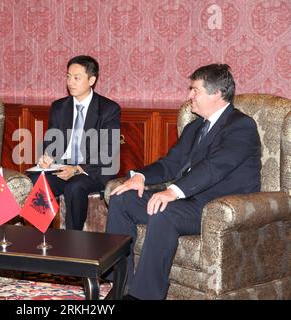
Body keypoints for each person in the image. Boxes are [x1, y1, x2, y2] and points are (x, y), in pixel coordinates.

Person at [105, 64, 261, 300]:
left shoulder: (241, 126)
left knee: (164, 212)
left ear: (216, 93)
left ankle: (143, 296)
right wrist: (140, 176)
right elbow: (170, 163)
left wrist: (172, 192)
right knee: (122, 199)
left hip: (217, 207)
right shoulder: (195, 126)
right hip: (188, 200)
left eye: (195, 90)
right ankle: (119, 283)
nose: (189, 96)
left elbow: (215, 168)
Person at [28, 55, 121, 230]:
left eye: (77, 78)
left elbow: (107, 151)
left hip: (92, 171)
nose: (71, 82)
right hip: (62, 168)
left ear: (91, 80)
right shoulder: (59, 106)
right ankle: (41, 234)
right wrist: (48, 157)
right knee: (36, 179)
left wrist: (77, 169)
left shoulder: (108, 109)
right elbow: (52, 141)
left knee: (75, 186)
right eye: (68, 76)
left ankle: (73, 239)